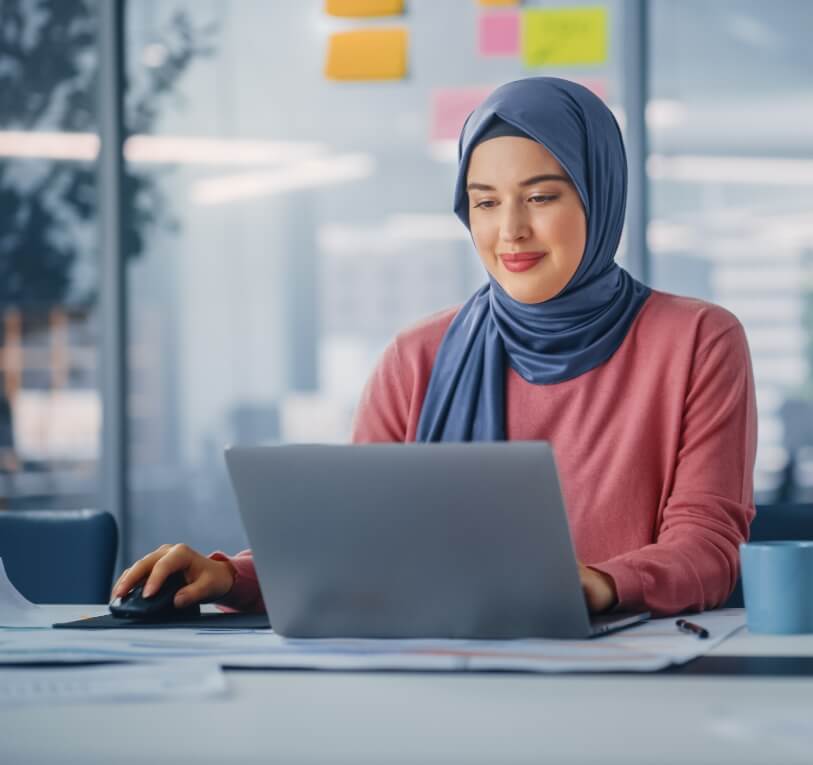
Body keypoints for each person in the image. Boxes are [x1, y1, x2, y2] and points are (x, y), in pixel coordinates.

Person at [112, 77, 757, 618]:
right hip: (442, 667)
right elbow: (358, 540)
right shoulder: (417, 354)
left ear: (600, 193)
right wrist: (230, 577)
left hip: (629, 679)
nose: (511, 230)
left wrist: (602, 583)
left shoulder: (699, 340)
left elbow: (708, 545)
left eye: (541, 196)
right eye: (484, 202)